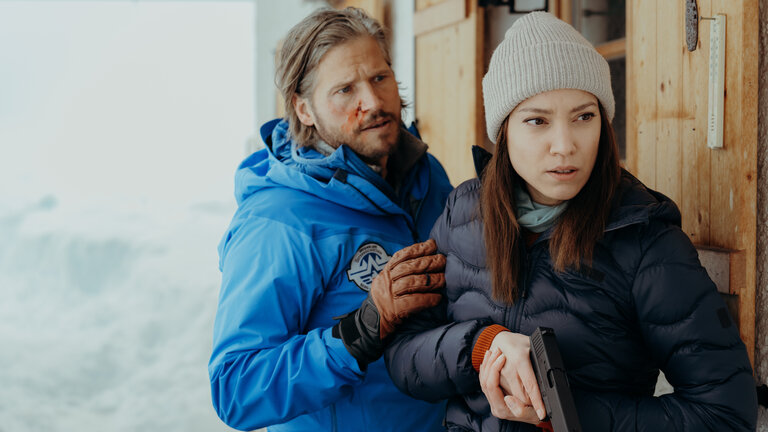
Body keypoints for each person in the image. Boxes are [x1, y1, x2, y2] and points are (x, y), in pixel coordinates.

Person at [384, 11, 758, 432]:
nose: (564, 146)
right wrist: (480, 346)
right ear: (504, 131)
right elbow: (403, 357)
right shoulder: (462, 214)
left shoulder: (645, 240)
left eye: (584, 116)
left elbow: (726, 414)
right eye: (537, 120)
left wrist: (559, 414)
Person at [208, 7, 453, 432]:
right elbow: (236, 388)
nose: (373, 103)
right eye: (345, 90)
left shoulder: (427, 176)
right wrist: (361, 331)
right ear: (304, 109)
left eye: (380, 78)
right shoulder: (277, 221)